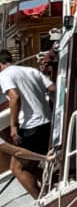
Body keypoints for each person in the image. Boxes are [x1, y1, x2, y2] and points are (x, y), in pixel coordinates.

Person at [0, 49, 53, 194]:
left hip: (31, 126)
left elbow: (14, 97)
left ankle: (40, 201)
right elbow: (53, 89)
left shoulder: (4, 75)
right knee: (30, 164)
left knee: (17, 168)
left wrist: (13, 126)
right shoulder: (30, 70)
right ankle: (52, 186)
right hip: (48, 123)